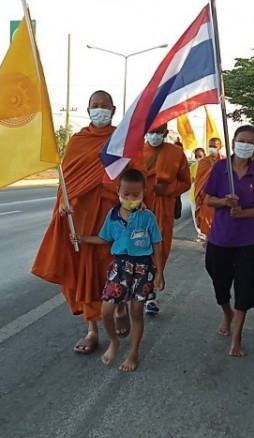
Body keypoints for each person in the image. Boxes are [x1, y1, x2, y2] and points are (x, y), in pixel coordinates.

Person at [32, 90, 134, 354]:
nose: (99, 110)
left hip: (113, 220)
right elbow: (65, 182)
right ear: (88, 109)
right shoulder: (78, 141)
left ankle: (121, 306)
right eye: (94, 106)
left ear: (113, 110)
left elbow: (136, 179)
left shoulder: (121, 141)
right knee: (85, 275)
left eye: (104, 106)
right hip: (81, 221)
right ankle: (92, 330)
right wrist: (63, 205)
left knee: (115, 269)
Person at [71, 169, 165, 371]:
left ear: (144, 193)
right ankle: (114, 341)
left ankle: (134, 352)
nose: (130, 199)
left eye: (136, 195)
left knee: (137, 312)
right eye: (126, 194)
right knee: (106, 311)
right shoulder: (112, 216)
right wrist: (84, 238)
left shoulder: (148, 217)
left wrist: (159, 272)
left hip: (143, 267)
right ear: (118, 191)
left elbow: (157, 243)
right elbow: (105, 238)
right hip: (120, 267)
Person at [204, 125, 254, 357]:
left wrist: (244, 212)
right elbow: (207, 199)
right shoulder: (219, 168)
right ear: (233, 142)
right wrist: (224, 202)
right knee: (219, 284)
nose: (245, 145)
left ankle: (237, 336)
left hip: (249, 241)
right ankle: (227, 313)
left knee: (245, 288)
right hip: (220, 239)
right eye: (241, 140)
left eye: (250, 142)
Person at [133, 123, 191, 315]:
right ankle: (135, 288)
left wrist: (168, 189)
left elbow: (185, 182)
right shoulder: (135, 151)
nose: (154, 135)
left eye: (159, 132)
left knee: (159, 248)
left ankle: (151, 295)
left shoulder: (175, 153)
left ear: (165, 133)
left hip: (162, 210)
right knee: (136, 249)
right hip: (137, 210)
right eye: (151, 131)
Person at [194, 138, 223, 244]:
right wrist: (198, 196)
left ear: (220, 147)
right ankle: (209, 240)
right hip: (206, 197)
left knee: (219, 221)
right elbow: (198, 180)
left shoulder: (224, 161)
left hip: (220, 198)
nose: (212, 149)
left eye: (215, 146)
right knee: (206, 221)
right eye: (210, 146)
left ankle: (216, 241)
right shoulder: (204, 162)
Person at [189, 147, 207, 240]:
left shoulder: (210, 166)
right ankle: (200, 234)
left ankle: (206, 234)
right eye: (196, 156)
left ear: (204, 155)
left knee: (205, 216)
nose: (198, 158)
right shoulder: (193, 167)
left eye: (200, 156)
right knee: (196, 215)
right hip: (194, 196)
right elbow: (190, 181)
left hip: (206, 196)